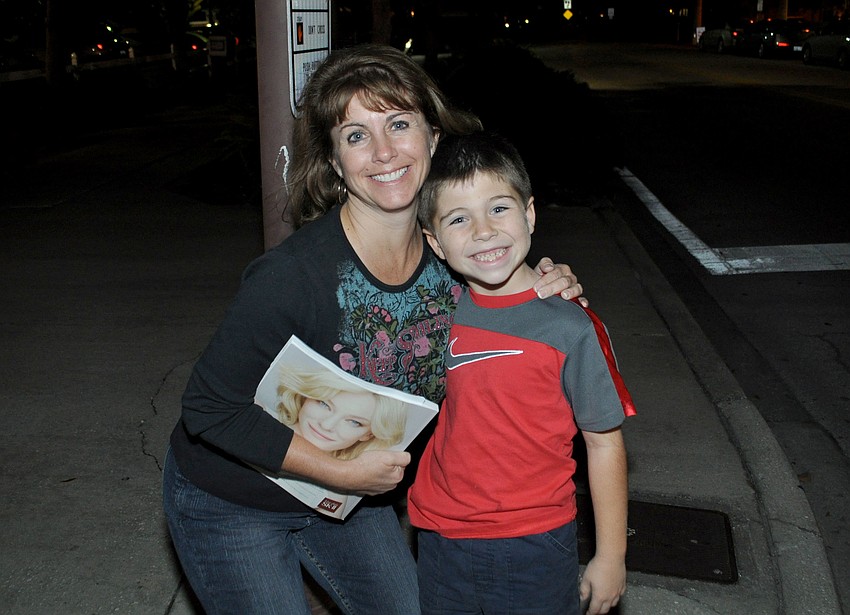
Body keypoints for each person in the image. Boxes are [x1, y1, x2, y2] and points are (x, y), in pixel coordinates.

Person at [162, 43, 585, 615]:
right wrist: (340, 469)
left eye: (399, 124)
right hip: (232, 498)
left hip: (346, 498)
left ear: (433, 139)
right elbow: (209, 408)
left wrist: (546, 281)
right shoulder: (292, 277)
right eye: (356, 135)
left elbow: (505, 276)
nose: (384, 151)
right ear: (335, 162)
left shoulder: (452, 257)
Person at [408, 131, 637, 615]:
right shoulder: (436, 311)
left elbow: (604, 442)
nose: (484, 231)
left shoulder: (570, 325)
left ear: (530, 213)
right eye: (458, 219)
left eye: (498, 208)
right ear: (435, 243)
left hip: (534, 543)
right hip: (440, 535)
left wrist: (611, 555)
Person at [274, 367, 407, 460]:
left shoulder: (335, 493)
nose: (326, 425)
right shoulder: (256, 421)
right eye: (324, 404)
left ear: (368, 435)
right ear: (306, 397)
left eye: (354, 422)